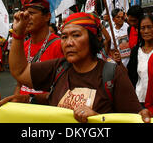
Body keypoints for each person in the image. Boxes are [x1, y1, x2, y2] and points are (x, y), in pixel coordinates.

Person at [8, 11, 143, 123]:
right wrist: (18, 35)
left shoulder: (112, 74)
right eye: (64, 37)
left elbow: (134, 119)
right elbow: (20, 72)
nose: (69, 43)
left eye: (76, 35)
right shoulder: (58, 67)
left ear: (91, 39)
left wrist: (99, 119)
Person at [0, 0, 63, 106]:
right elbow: (19, 84)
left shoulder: (60, 45)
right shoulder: (21, 45)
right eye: (25, 14)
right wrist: (15, 103)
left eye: (32, 13)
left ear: (47, 16)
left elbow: (61, 90)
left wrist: (28, 99)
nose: (26, 18)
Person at [127, 14, 153, 105]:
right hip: (140, 100)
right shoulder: (136, 51)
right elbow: (131, 76)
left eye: (149, 27)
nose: (146, 31)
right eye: (143, 28)